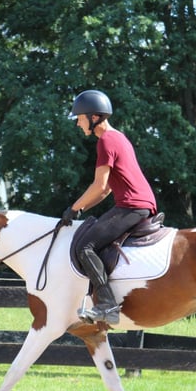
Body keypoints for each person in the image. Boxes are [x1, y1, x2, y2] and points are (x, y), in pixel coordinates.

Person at [60, 89, 158, 325]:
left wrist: (73, 207)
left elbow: (99, 184)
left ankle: (107, 306)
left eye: (79, 118)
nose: (77, 124)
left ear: (94, 117)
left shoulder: (106, 141)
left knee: (85, 247)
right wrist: (80, 209)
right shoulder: (118, 138)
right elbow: (105, 190)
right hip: (136, 203)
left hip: (132, 205)